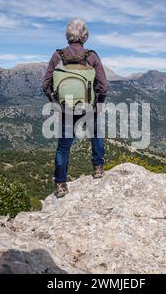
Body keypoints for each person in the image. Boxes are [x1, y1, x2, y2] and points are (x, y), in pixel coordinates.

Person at [42, 19, 109, 198]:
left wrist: (56, 102)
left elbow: (45, 85)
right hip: (89, 107)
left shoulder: (58, 56)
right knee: (96, 135)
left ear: (67, 35)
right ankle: (98, 168)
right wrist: (99, 104)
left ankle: (61, 184)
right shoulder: (92, 56)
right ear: (85, 36)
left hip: (66, 109)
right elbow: (104, 86)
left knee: (63, 148)